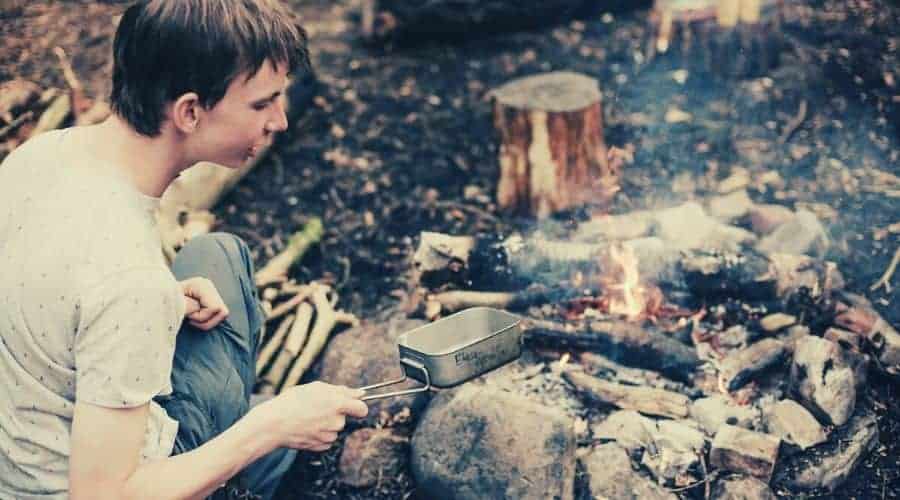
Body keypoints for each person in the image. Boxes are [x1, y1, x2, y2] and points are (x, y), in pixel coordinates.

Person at [0, 1, 369, 499]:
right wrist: (270, 427)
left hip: (26, 445)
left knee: (213, 255)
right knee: (229, 267)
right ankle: (240, 476)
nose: (280, 121)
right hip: (83, 484)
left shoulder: (40, 157)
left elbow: (52, 298)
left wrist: (163, 301)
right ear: (190, 111)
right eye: (263, 104)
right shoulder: (129, 280)